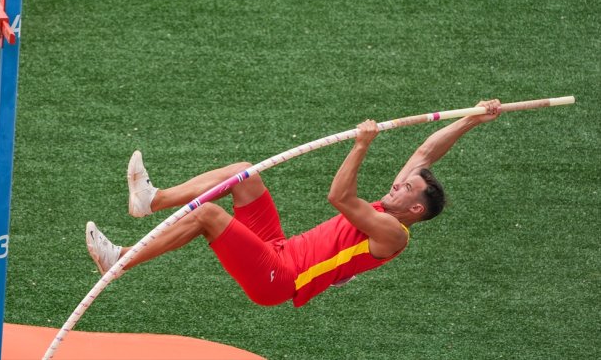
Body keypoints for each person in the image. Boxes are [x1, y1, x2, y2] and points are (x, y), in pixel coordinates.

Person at [86, 99, 501, 307]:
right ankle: (152, 200)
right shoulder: (396, 203)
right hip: (279, 248)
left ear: (415, 210)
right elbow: (426, 153)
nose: (398, 185)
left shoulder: (392, 232)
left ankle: (120, 259)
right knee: (244, 174)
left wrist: (361, 145)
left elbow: (339, 197)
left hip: (281, 277)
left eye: (406, 189)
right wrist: (472, 118)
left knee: (209, 216)